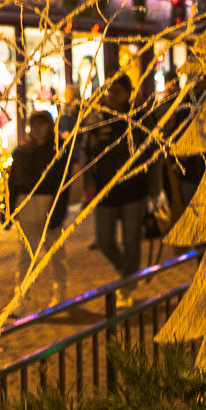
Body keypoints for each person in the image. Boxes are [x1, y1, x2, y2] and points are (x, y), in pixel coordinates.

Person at [85, 75, 150, 280]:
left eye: (117, 91)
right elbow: (88, 148)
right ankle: (127, 273)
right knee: (104, 239)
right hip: (106, 188)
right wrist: (89, 181)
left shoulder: (138, 116)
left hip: (133, 187)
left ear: (128, 93)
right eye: (109, 91)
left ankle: (129, 284)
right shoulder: (99, 116)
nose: (112, 96)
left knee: (132, 240)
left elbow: (146, 146)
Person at [8, 108, 69, 296]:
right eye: (33, 125)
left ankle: (61, 292)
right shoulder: (21, 152)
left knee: (56, 253)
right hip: (26, 203)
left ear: (49, 127)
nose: (37, 129)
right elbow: (13, 182)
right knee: (25, 255)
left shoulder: (56, 151)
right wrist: (11, 210)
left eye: (41, 124)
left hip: (48, 203)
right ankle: (23, 297)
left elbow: (62, 183)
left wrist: (57, 212)